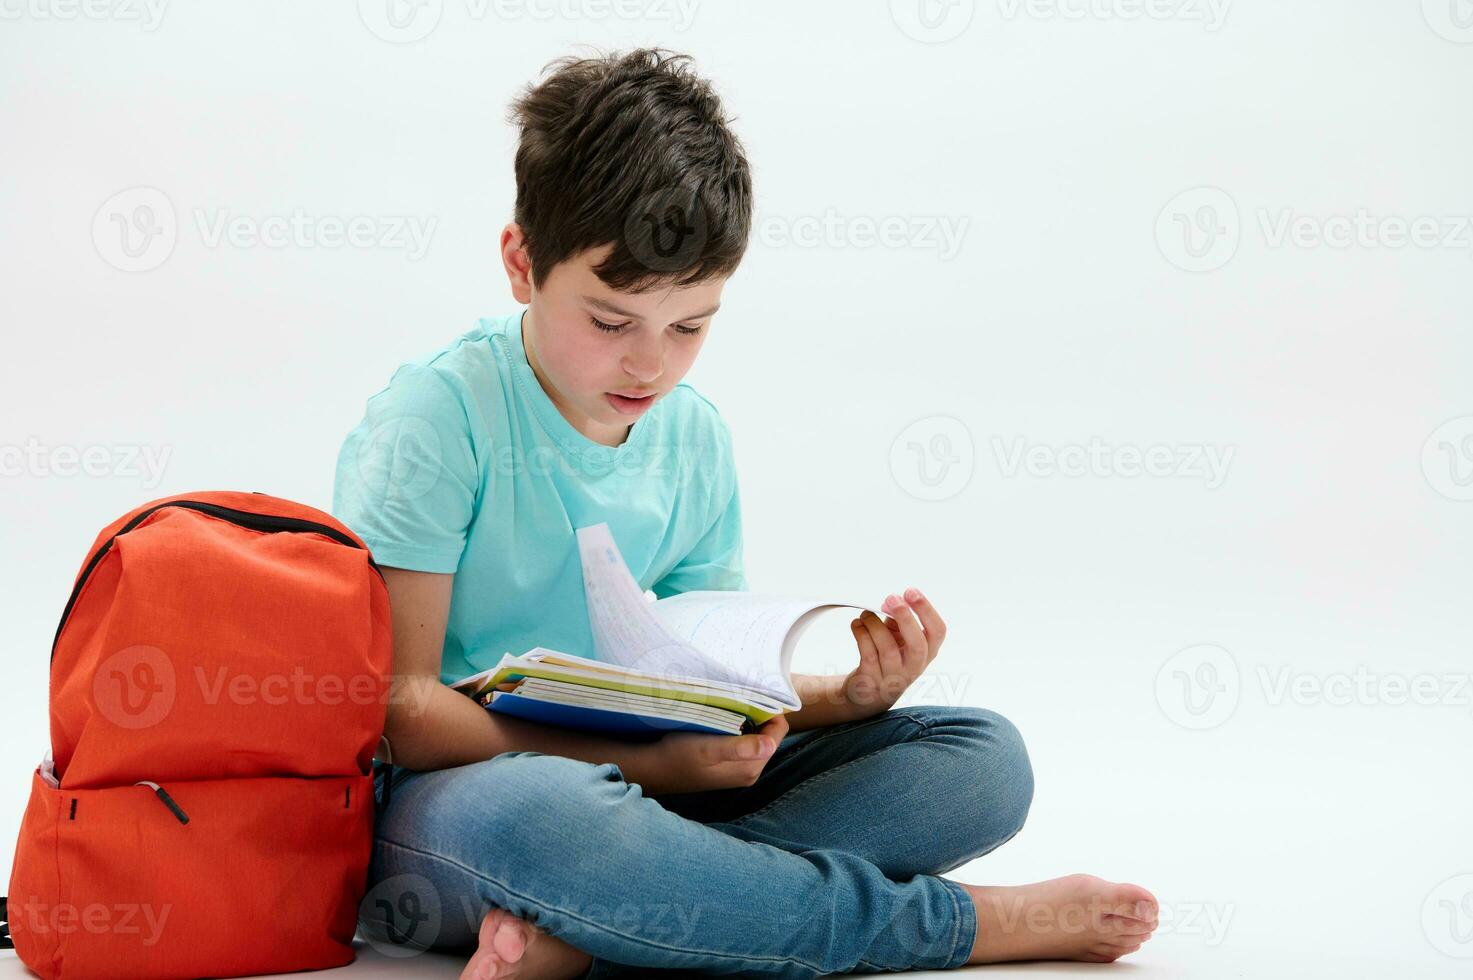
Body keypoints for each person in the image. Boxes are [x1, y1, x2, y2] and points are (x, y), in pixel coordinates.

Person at [331, 47, 1158, 980]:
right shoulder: (434, 420)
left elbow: (704, 688)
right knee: (551, 820)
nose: (651, 366)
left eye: (690, 326)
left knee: (981, 758)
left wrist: (838, 701)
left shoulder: (692, 438)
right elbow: (396, 714)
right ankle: (954, 926)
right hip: (450, 806)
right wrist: (651, 774)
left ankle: (603, 932)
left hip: (644, 797)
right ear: (522, 263)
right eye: (611, 323)